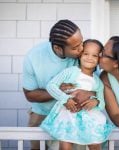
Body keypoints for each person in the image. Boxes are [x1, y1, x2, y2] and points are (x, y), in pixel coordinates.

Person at [23, 19, 94, 150]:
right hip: (42, 114)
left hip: (73, 115)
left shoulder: (83, 54)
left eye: (81, 43)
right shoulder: (33, 57)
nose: (81, 49)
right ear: (58, 48)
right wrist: (57, 91)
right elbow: (30, 94)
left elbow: (95, 83)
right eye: (75, 48)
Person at [40, 39, 114, 150]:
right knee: (65, 145)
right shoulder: (70, 72)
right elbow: (51, 86)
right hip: (68, 115)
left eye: (94, 55)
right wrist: (65, 99)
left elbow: (102, 103)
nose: (89, 58)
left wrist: (96, 101)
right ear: (80, 55)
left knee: (95, 143)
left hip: (89, 118)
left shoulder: (98, 81)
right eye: (86, 54)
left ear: (99, 59)